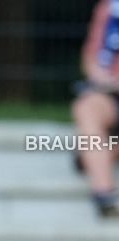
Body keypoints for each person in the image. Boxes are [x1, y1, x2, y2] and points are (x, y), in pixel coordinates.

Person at [73, 0, 119, 218]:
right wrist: (103, 78)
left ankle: (90, 155)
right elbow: (91, 58)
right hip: (109, 93)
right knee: (86, 108)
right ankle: (104, 195)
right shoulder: (108, 8)